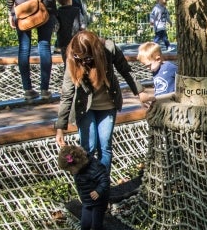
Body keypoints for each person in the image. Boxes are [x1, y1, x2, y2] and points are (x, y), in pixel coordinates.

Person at [54, 30, 146, 169]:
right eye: (79, 58)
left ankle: (102, 186)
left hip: (108, 105)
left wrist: (140, 92)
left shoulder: (108, 48)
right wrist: (60, 127)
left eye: (87, 58)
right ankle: (87, 185)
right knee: (88, 147)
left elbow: (125, 70)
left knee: (105, 146)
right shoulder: (73, 58)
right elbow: (67, 93)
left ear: (95, 52)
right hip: (85, 107)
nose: (83, 62)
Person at [58, 144, 112, 230]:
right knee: (85, 223)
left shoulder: (95, 167)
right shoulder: (78, 170)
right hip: (87, 201)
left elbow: (105, 180)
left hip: (98, 201)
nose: (71, 173)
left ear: (76, 163)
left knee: (97, 224)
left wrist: (98, 191)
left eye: (70, 170)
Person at [54, 0, 86, 66]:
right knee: (78, 62)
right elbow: (83, 25)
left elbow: (56, 28)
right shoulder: (77, 11)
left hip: (63, 43)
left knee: (67, 63)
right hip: (76, 41)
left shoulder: (57, 12)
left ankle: (67, 76)